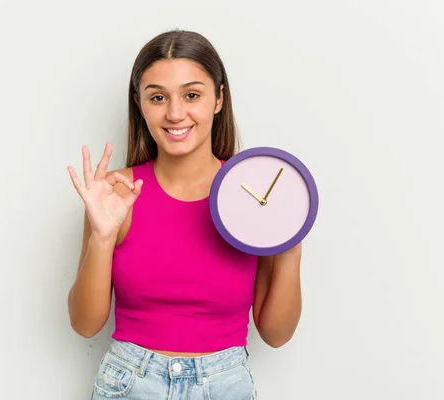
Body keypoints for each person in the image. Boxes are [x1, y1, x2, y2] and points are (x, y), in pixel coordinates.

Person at [67, 29, 303, 400]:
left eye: (192, 95)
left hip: (226, 383)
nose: (175, 113)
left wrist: (289, 242)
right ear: (139, 104)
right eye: (158, 97)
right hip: (130, 383)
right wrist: (101, 237)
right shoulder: (116, 195)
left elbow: (276, 335)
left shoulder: (252, 195)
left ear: (218, 99)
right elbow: (84, 325)